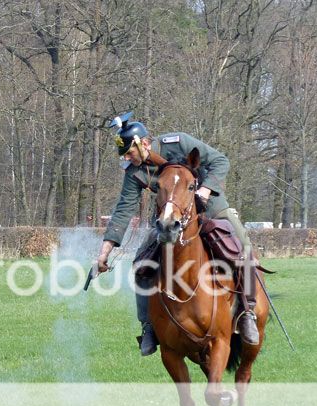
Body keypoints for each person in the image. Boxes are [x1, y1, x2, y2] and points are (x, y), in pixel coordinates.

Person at [96, 113, 259, 356]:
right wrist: (105, 251)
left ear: (144, 144)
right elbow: (123, 210)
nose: (127, 159)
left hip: (210, 206)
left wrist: (204, 191)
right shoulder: (135, 171)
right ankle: (148, 326)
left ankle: (248, 313)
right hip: (169, 218)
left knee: (243, 247)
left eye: (129, 152)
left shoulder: (179, 142)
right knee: (142, 262)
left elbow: (220, 161)